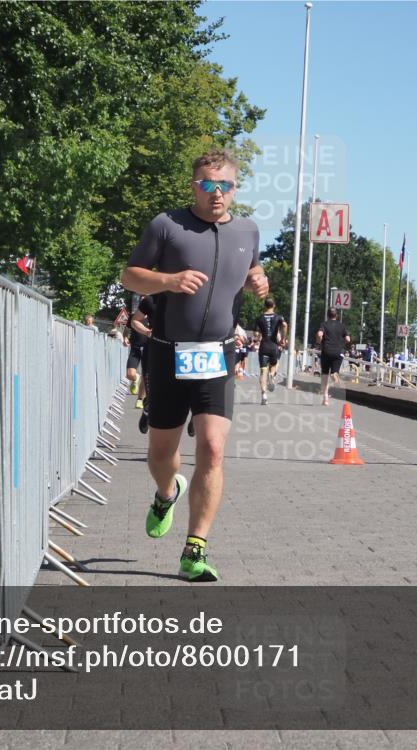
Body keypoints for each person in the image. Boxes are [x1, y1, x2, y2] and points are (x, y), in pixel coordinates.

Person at [121, 149, 268, 582]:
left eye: (224, 185)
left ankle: (194, 549)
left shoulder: (248, 231)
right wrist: (168, 281)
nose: (216, 192)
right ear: (193, 186)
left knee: (213, 448)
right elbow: (130, 275)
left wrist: (259, 280)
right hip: (167, 352)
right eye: (207, 184)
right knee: (162, 453)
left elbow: (249, 272)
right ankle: (166, 493)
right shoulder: (167, 225)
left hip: (218, 354)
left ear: (235, 189)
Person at [253, 297, 286, 406]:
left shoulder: (259, 318)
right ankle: (272, 375)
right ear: (274, 306)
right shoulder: (278, 317)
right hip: (273, 347)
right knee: (273, 366)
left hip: (263, 347)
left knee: (263, 372)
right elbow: (285, 325)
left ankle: (264, 396)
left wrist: (257, 339)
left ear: (264, 306)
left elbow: (256, 334)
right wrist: (283, 339)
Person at [315, 307, 350, 406]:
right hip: (338, 352)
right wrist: (341, 342)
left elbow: (319, 334)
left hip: (326, 351)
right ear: (336, 315)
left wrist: (319, 341)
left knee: (325, 374)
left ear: (327, 315)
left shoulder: (324, 324)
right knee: (334, 373)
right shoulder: (342, 326)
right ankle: (335, 376)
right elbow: (348, 339)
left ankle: (325, 398)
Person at [129, 296, 154, 416]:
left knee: (146, 375)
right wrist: (124, 338)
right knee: (132, 374)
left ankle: (141, 400)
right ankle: (135, 381)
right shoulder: (136, 315)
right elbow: (131, 325)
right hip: (138, 349)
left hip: (151, 348)